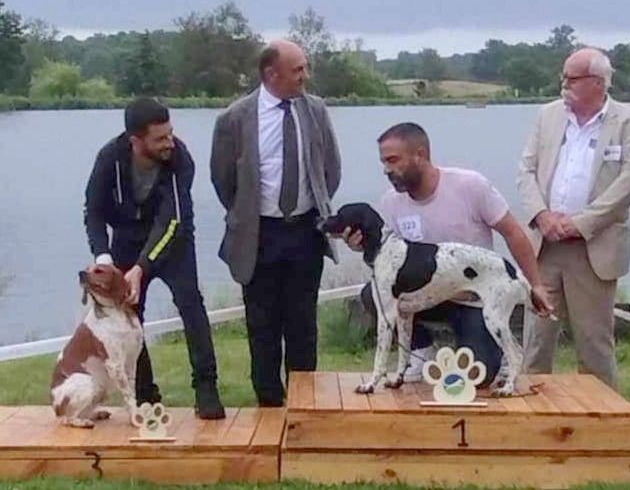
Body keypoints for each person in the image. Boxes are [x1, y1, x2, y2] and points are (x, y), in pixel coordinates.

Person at [346, 122, 554, 385]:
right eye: (383, 162)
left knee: (479, 377)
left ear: (420, 155)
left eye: (393, 160)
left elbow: (513, 233)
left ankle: (495, 353)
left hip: (473, 296)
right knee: (371, 292)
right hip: (425, 296)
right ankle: (419, 354)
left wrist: (535, 284)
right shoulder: (390, 203)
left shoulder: (471, 186)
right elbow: (388, 265)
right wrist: (362, 246)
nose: (386, 169)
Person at [210, 39, 341, 406]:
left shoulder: (315, 110)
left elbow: (330, 170)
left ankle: (304, 407)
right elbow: (223, 180)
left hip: (304, 232)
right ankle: (269, 408)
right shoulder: (234, 119)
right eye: (298, 69)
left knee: (303, 326)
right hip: (259, 236)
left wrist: (312, 207)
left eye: (304, 68)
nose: (305, 76)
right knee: (262, 327)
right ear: (272, 74)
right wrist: (248, 214)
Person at [83, 97, 224, 419]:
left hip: (174, 237)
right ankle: (146, 393)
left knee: (191, 306)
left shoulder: (180, 159)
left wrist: (141, 268)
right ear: (136, 140)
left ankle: (206, 387)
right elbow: (93, 211)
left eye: (170, 133)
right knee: (129, 315)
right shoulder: (109, 158)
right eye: (159, 138)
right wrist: (104, 257)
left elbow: (171, 219)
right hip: (126, 241)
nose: (169, 142)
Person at [517, 47, 630, 389]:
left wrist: (580, 223)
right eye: (564, 76)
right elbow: (526, 170)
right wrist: (542, 215)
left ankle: (604, 424)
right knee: (535, 341)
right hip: (544, 246)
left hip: (594, 250)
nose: (563, 84)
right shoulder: (547, 116)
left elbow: (627, 185)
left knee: (594, 345)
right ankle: (531, 420)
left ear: (597, 83)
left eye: (571, 78)